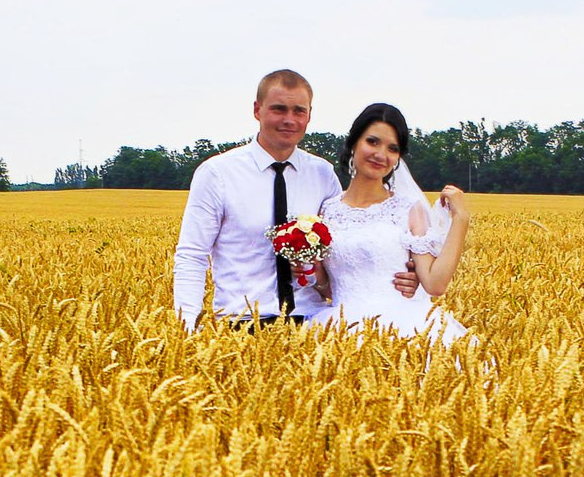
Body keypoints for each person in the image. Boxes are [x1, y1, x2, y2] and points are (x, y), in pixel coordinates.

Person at [172, 69, 420, 328]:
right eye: (279, 109)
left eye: (299, 111)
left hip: (314, 323)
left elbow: (346, 244)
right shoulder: (218, 174)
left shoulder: (322, 174)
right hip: (242, 323)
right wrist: (186, 326)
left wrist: (401, 278)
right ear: (257, 110)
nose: (289, 120)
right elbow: (192, 255)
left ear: (309, 115)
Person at [310, 101, 471, 344]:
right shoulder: (326, 210)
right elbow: (326, 284)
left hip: (402, 330)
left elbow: (435, 283)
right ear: (353, 142)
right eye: (372, 142)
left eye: (392, 149)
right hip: (339, 330)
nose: (381, 155)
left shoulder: (408, 209)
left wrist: (461, 218)